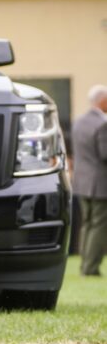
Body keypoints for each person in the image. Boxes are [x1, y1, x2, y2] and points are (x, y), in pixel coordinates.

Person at [72, 84, 107, 276]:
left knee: (86, 224)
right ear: (103, 101)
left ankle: (84, 264)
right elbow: (105, 154)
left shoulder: (79, 122)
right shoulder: (102, 124)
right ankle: (91, 268)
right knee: (99, 226)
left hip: (82, 182)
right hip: (100, 184)